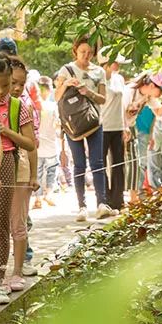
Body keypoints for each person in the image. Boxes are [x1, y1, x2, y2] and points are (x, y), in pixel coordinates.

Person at [0, 54, 36, 306]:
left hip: (7, 160)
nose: (0, 91)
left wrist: (7, 132)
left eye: (5, 85)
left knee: (1, 223)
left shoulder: (17, 107)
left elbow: (30, 143)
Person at [54, 35, 112, 222]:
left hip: (94, 122)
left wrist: (88, 92)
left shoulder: (99, 72)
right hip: (73, 124)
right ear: (75, 51)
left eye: (89, 52)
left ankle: (102, 203)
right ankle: (81, 206)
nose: (85, 55)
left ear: (94, 53)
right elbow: (56, 97)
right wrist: (66, 84)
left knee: (97, 163)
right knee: (79, 164)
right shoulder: (67, 70)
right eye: (82, 52)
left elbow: (103, 99)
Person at [8, 55, 38, 281]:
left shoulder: (22, 108)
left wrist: (35, 176)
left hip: (20, 172)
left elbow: (31, 146)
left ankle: (18, 270)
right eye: (13, 83)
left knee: (18, 222)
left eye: (21, 84)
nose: (17, 88)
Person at [124, 72, 162, 198]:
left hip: (130, 127)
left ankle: (133, 197)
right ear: (153, 86)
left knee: (134, 162)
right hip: (117, 126)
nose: (161, 94)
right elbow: (122, 109)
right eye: (161, 90)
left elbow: (158, 112)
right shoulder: (130, 91)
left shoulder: (148, 97)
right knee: (119, 162)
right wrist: (123, 127)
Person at [98, 49, 130, 212]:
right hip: (102, 126)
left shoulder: (119, 79)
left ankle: (118, 200)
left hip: (117, 126)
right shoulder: (98, 78)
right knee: (101, 164)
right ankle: (105, 200)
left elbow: (123, 103)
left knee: (119, 163)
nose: (117, 64)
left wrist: (126, 125)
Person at [34, 77, 60, 207]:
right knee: (51, 171)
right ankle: (48, 194)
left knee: (38, 173)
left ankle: (38, 199)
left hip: (38, 146)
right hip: (51, 145)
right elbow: (57, 125)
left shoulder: (33, 106)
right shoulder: (52, 106)